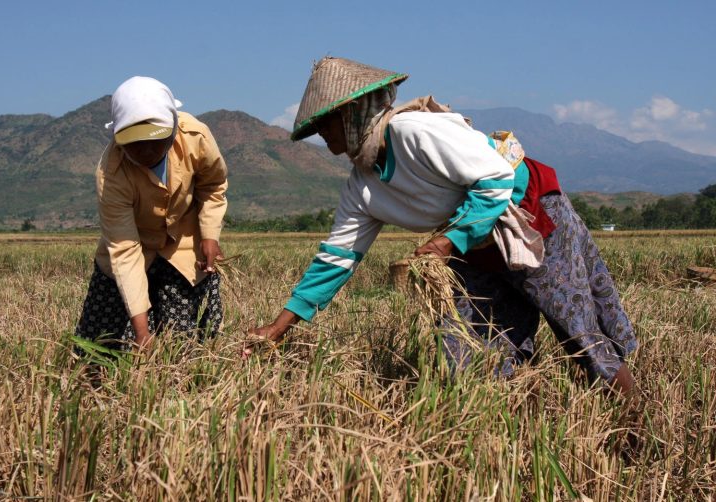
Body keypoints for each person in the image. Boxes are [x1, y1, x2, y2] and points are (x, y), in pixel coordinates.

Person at [247, 57, 637, 394]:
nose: (321, 133)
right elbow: (336, 259)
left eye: (325, 121)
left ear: (351, 111)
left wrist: (449, 241)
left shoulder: (412, 131)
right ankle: (510, 431)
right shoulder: (362, 185)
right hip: (472, 244)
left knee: (577, 333)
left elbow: (496, 178)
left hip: (528, 217)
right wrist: (278, 327)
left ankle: (636, 424)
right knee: (466, 349)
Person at [75, 76, 228, 351]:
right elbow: (124, 249)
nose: (146, 151)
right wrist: (141, 330)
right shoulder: (111, 174)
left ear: (173, 128)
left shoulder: (196, 137)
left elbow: (213, 185)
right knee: (100, 346)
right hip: (132, 249)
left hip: (182, 246)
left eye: (155, 140)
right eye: (135, 143)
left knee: (182, 344)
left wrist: (209, 235)